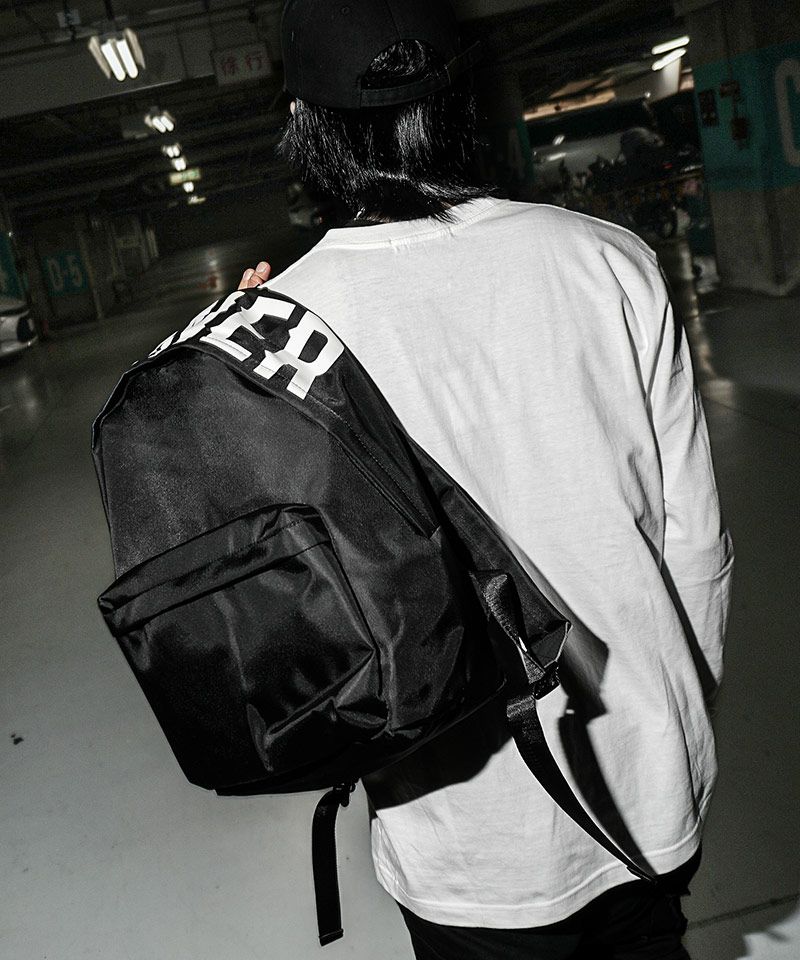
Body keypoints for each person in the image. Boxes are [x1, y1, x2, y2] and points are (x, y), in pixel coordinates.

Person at [238, 1, 734, 957]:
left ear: (304, 123)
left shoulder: (279, 331)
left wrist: (231, 370)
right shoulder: (608, 260)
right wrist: (675, 724)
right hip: (643, 786)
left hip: (461, 836)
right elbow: (695, 548)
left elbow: (288, 614)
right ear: (460, 97)